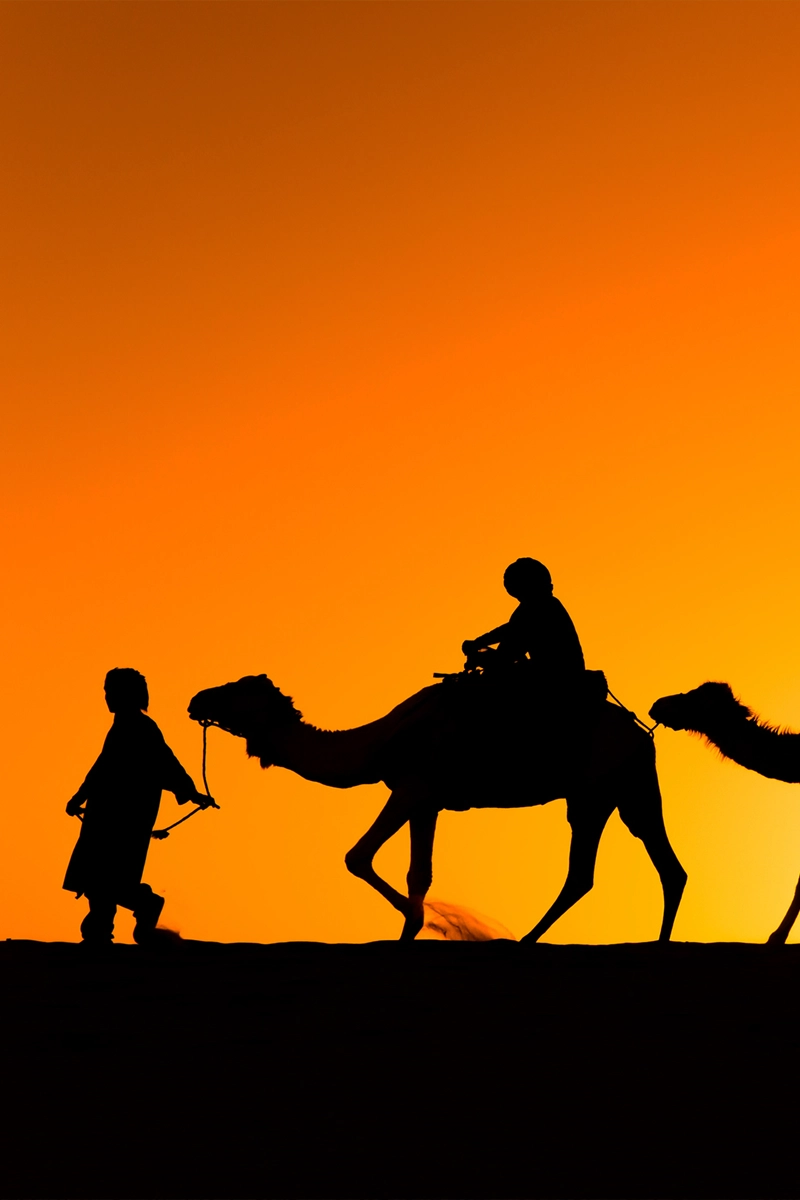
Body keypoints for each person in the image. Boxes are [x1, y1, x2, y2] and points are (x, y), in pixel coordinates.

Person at [64, 667, 215, 946]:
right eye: (106, 692)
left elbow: (165, 762)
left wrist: (190, 792)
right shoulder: (121, 726)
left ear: (128, 695)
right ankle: (102, 931)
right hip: (104, 812)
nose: (107, 697)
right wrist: (79, 797)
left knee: (105, 877)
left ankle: (140, 907)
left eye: (112, 692)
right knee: (97, 877)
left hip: (127, 816)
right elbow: (102, 767)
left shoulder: (142, 727)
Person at [461, 558, 585, 687]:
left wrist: (480, 652)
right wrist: (480, 643)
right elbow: (510, 631)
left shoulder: (539, 608)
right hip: (557, 675)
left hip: (557, 679)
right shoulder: (542, 606)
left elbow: (507, 653)